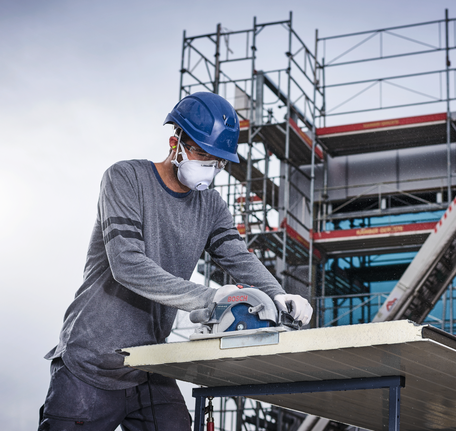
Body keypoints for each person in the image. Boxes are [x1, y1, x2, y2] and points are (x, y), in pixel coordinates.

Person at [38, 92, 313, 431]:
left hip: (149, 363)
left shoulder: (211, 206)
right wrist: (211, 298)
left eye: (218, 162)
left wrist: (277, 295)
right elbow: (128, 264)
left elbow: (238, 257)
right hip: (91, 362)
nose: (210, 168)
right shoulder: (125, 179)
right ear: (175, 143)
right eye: (203, 155)